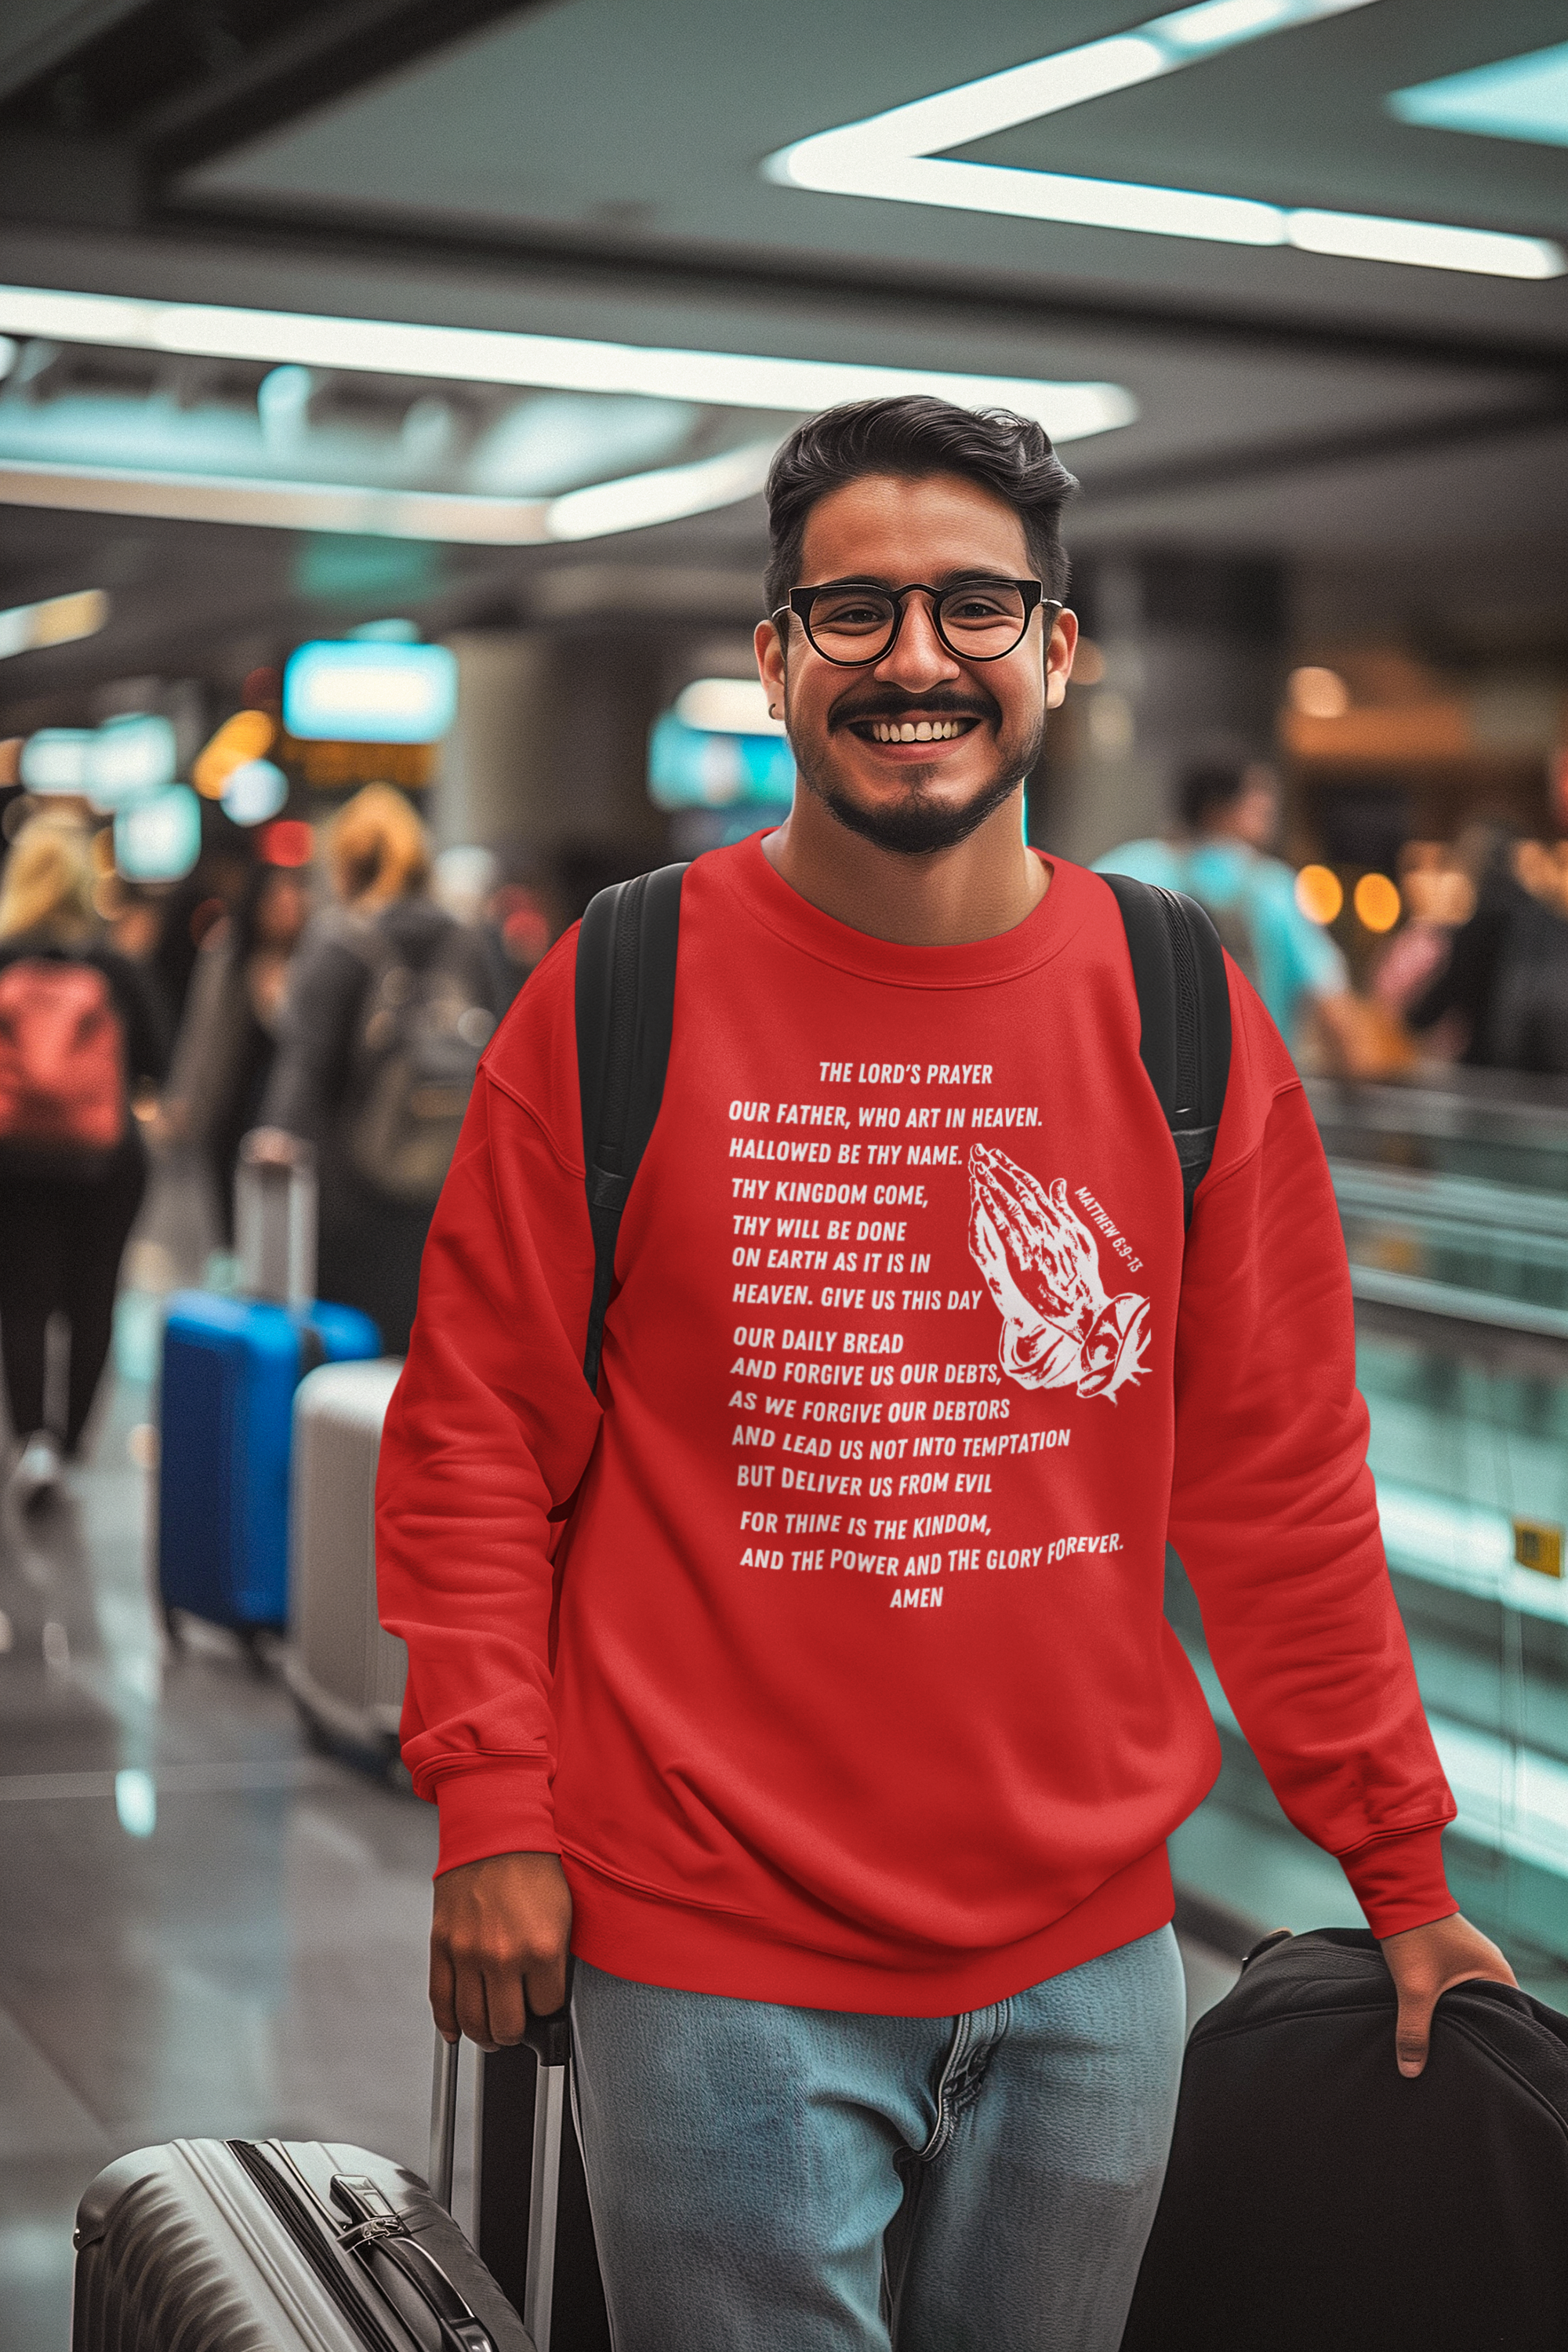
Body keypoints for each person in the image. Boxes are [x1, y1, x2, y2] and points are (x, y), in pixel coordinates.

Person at [376, 397, 1512, 2352]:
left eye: (975, 608)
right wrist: (491, 1801)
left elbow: (1278, 1481)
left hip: (1091, 1970)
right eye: (856, 610)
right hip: (712, 1954)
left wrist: (1392, 1862)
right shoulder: (621, 984)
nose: (916, 657)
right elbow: (478, 1430)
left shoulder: (1178, 1009)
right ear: (773, 657)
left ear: (1056, 653)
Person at [256, 785, 495, 1354]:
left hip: (350, 1193)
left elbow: (304, 1072)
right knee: (419, 1352)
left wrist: (273, 1143)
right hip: (445, 1188)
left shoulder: (338, 943)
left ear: (346, 864)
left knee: (345, 1362)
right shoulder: (469, 944)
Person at [0, 816, 168, 1504]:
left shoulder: (5, 958)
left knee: (23, 1299)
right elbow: (158, 1060)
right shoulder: (113, 966)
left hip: (13, 1160)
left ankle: (33, 1441)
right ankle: (69, 1447)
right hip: (105, 1164)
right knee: (95, 1296)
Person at [1094, 753, 1377, 1069]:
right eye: (1258, 799)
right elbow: (1333, 1008)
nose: (1271, 808)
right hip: (1248, 1091)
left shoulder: (1125, 869)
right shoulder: (1273, 888)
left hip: (1143, 1083)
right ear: (1218, 809)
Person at [162, 855, 310, 1243]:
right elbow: (203, 1029)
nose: (286, 909)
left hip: (288, 1111)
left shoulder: (316, 961)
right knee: (231, 1215)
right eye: (277, 900)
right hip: (232, 1105)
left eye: (294, 898)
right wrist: (183, 1098)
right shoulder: (229, 952)